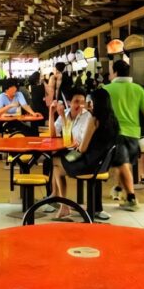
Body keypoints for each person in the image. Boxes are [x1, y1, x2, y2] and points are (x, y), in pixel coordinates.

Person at [104, 60, 144, 211]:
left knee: (123, 164)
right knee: (123, 164)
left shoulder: (106, 89)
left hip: (115, 133)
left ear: (115, 72)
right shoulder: (138, 89)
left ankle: (131, 197)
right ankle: (119, 189)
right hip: (134, 134)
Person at [51, 88, 120, 220]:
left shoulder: (94, 120)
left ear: (96, 103)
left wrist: (78, 148)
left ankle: (63, 205)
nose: (88, 104)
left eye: (90, 101)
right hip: (103, 164)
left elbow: (82, 149)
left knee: (55, 162)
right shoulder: (113, 120)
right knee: (60, 161)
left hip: (90, 164)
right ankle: (86, 207)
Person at [48, 87, 98, 218]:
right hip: (72, 151)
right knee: (55, 157)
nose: (80, 105)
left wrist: (62, 118)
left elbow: (74, 141)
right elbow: (53, 135)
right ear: (69, 102)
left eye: (82, 102)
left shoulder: (87, 117)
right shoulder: (66, 112)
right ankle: (57, 197)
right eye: (76, 101)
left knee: (56, 163)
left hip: (82, 154)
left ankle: (61, 201)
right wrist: (51, 113)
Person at [0, 80, 42, 147]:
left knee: (31, 131)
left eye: (15, 88)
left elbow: (25, 105)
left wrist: (33, 113)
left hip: (17, 120)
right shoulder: (1, 96)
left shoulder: (19, 94)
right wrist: (10, 105)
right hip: (4, 122)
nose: (15, 90)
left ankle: (32, 150)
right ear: (7, 89)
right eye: (12, 88)